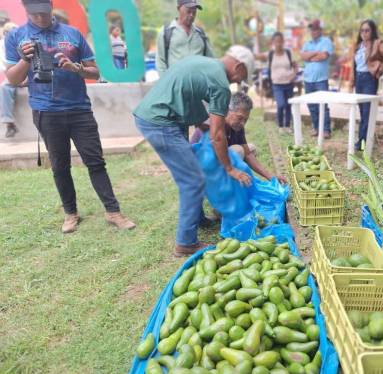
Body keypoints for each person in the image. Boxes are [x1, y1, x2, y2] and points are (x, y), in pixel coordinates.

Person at [4, 0, 135, 233]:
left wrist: (77, 69)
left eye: (44, 13)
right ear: (26, 10)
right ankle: (71, 213)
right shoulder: (16, 36)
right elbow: (13, 80)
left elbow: (95, 70)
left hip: (79, 109)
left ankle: (113, 211)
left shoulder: (72, 33)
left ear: (51, 7)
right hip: (46, 111)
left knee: (95, 161)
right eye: (35, 14)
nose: (40, 18)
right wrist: (26, 59)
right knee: (60, 166)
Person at [133, 47, 255, 257]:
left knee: (194, 172)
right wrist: (229, 168)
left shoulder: (203, 63)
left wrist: (202, 123)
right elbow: (218, 135)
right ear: (239, 66)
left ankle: (197, 219)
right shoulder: (220, 83)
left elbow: (186, 93)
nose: (236, 83)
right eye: (241, 77)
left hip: (162, 115)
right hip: (161, 121)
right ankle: (185, 243)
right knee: (193, 180)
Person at [191, 92, 287, 184]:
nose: (242, 123)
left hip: (219, 159)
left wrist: (270, 176)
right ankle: (222, 183)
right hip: (199, 166)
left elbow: (248, 154)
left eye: (245, 119)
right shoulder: (214, 124)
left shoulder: (237, 127)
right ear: (227, 111)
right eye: (240, 118)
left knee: (251, 149)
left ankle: (229, 177)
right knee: (238, 151)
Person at [350, 19, 383, 151]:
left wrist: (379, 70)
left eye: (367, 30)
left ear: (372, 31)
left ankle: (362, 142)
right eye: (362, 30)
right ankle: (366, 138)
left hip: (369, 79)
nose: (364, 33)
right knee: (363, 111)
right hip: (359, 79)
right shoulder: (358, 46)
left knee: (367, 111)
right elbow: (355, 65)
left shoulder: (377, 43)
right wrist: (352, 80)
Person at [156, 0, 213, 76]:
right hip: (176, 84)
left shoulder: (200, 33)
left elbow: (211, 60)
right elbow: (160, 61)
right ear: (178, 8)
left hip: (200, 84)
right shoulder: (166, 32)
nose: (191, 15)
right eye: (188, 11)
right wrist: (166, 82)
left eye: (194, 12)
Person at [300, 19, 333, 138]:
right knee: (312, 105)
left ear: (320, 30)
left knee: (322, 105)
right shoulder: (307, 43)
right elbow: (303, 56)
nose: (313, 31)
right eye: (312, 29)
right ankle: (316, 127)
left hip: (321, 80)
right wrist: (315, 53)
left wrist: (310, 56)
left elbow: (323, 56)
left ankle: (326, 129)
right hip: (308, 79)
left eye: (316, 29)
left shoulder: (326, 41)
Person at [266, 32, 297, 133]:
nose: (278, 44)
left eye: (280, 41)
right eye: (276, 41)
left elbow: (295, 66)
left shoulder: (288, 53)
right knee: (280, 105)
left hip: (289, 84)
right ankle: (280, 126)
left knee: (288, 105)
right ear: (273, 42)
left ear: (283, 42)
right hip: (277, 85)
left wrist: (293, 75)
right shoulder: (271, 54)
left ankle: (287, 126)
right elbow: (269, 69)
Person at [1, 22, 22, 138]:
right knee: (5, 88)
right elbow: (4, 65)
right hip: (13, 76)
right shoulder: (2, 45)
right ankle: (9, 123)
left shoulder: (24, 42)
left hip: (29, 75)